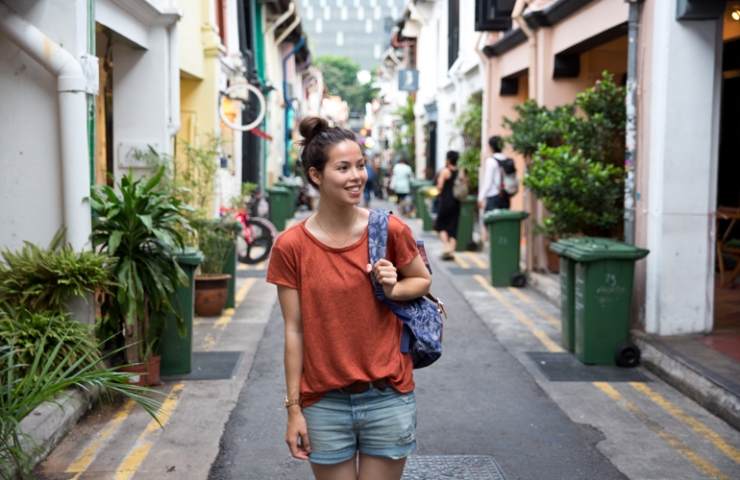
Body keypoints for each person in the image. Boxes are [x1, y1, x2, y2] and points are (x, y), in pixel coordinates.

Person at [266, 115, 432, 480]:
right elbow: (294, 331)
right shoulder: (290, 246)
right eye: (343, 168)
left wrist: (393, 287)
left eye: (360, 165)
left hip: (387, 397)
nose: (357, 176)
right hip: (324, 403)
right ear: (315, 176)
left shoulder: (388, 228)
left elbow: (421, 280)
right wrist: (294, 409)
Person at [435, 151, 463, 260]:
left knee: (441, 224)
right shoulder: (461, 172)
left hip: (446, 202)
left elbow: (440, 187)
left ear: (448, 159)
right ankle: (452, 251)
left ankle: (446, 247)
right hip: (456, 202)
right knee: (453, 226)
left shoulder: (445, 171)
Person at [477, 135, 510, 212]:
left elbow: (488, 182)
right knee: (503, 222)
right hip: (505, 197)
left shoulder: (491, 161)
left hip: (494, 197)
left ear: (491, 147)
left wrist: (480, 198)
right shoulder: (506, 159)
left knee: (489, 222)